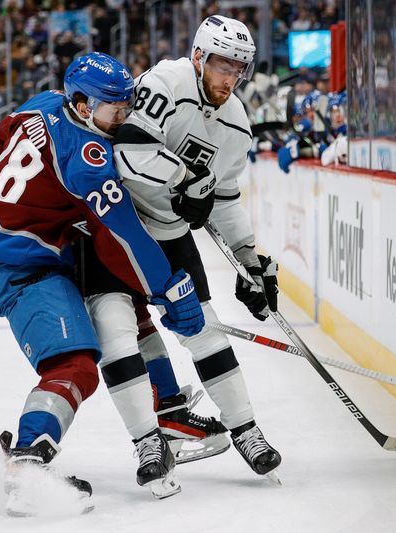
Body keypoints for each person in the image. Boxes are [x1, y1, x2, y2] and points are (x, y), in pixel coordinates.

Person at [0, 52, 204, 514]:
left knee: (129, 310)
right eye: (114, 108)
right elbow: (124, 235)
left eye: (127, 105)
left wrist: (50, 204)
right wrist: (168, 287)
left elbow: (6, 131)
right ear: (84, 106)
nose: (123, 117)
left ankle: (168, 408)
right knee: (75, 365)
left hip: (14, 241)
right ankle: (28, 465)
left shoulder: (42, 102)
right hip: (17, 264)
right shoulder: (89, 160)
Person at [110, 15, 282, 479]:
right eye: (223, 65)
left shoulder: (238, 126)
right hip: (116, 224)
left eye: (239, 69)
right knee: (116, 336)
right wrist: (186, 178)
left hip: (167, 232)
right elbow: (127, 152)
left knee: (204, 329)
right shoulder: (167, 81)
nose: (230, 78)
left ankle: (245, 428)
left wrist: (249, 260)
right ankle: (147, 439)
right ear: (201, 57)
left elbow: (223, 200)